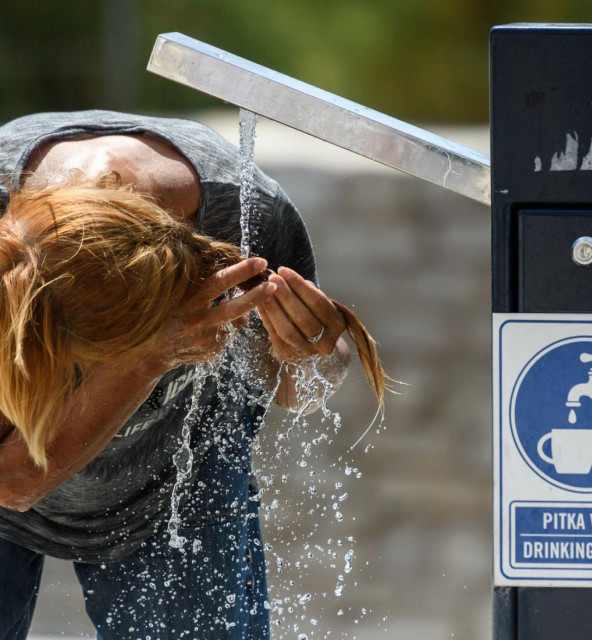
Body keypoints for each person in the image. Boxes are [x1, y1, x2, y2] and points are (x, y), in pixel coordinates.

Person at [0, 111, 353, 640]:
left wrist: (311, 356)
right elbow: (11, 482)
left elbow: (303, 389)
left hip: (176, 491)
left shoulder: (246, 214)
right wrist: (150, 357)